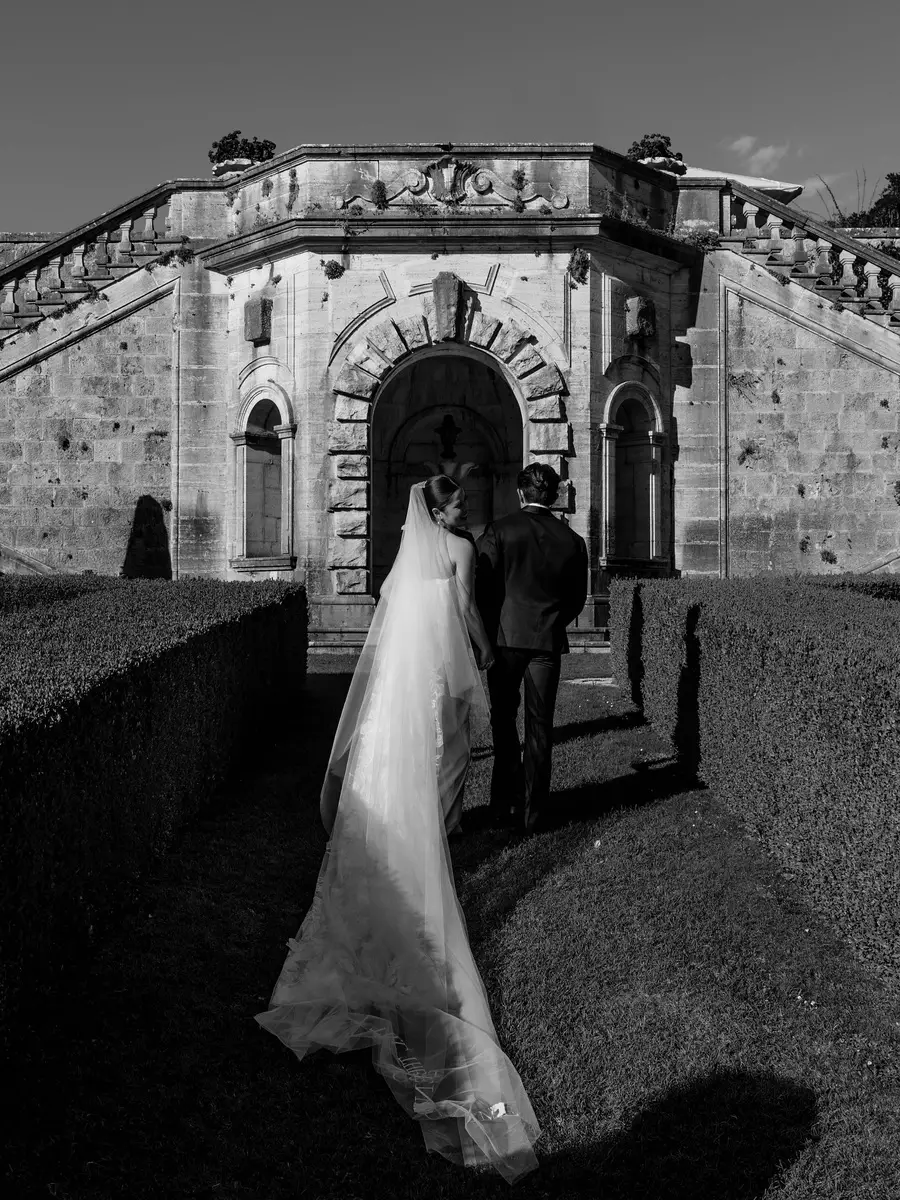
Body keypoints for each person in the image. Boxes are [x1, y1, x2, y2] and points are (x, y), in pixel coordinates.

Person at [256, 477, 541, 1185]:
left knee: (390, 781)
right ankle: (427, 846)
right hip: (434, 680)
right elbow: (465, 613)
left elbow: (390, 622)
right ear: (440, 510)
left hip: (395, 692)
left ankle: (395, 855)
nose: (466, 511)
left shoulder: (405, 556)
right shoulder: (456, 550)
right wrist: (482, 658)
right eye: (459, 504)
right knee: (440, 769)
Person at [476, 462, 588, 835]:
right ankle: (533, 813)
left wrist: (489, 631)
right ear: (553, 496)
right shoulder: (572, 540)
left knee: (503, 721)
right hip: (546, 642)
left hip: (505, 640)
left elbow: (484, 588)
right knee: (540, 727)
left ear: (520, 493)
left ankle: (503, 803)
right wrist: (553, 622)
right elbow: (576, 599)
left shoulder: (499, 530)